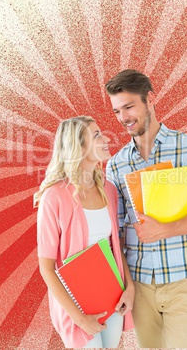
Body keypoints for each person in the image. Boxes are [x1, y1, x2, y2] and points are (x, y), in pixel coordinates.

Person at [105, 69, 187, 348]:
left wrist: (167, 229)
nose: (123, 118)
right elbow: (116, 230)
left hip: (183, 284)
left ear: (150, 99)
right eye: (116, 111)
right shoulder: (116, 164)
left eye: (129, 106)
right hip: (139, 287)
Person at [34, 116, 134, 349]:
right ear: (78, 147)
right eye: (97, 134)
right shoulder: (54, 197)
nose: (107, 138)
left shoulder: (108, 189)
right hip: (74, 305)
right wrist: (79, 318)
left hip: (112, 298)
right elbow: (46, 268)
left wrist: (130, 289)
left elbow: (115, 248)